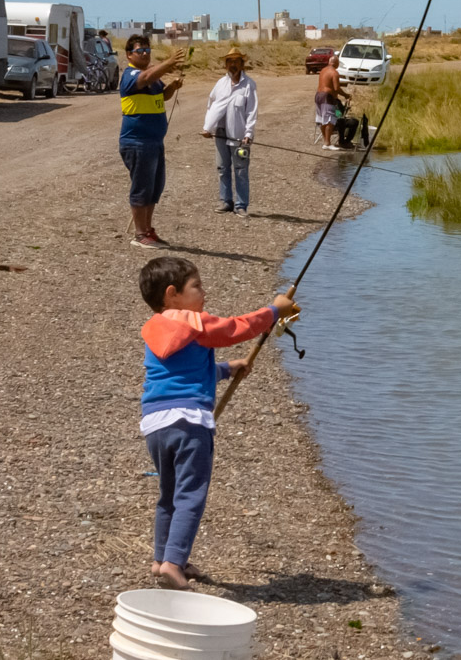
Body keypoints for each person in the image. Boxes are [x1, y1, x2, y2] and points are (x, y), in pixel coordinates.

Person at [137, 255, 300, 590]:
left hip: (156, 423)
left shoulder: (157, 328)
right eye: (196, 286)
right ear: (173, 294)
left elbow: (184, 371)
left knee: (169, 494)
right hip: (189, 423)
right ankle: (173, 563)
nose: (204, 292)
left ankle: (161, 559)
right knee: (190, 495)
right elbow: (234, 328)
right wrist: (274, 311)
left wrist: (226, 369)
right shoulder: (193, 322)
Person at [120, 34, 185, 248]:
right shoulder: (130, 75)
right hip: (137, 141)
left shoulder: (153, 76)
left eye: (148, 51)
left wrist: (173, 87)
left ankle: (148, 230)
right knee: (142, 187)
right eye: (140, 51)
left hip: (154, 141)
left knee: (154, 188)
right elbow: (144, 80)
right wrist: (169, 63)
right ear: (130, 54)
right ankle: (140, 235)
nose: (145, 54)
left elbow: (162, 95)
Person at [200, 47, 258, 217]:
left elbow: (252, 112)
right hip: (220, 132)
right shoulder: (220, 84)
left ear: (242, 64)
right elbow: (211, 106)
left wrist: (248, 134)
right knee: (222, 167)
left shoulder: (249, 85)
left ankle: (241, 205)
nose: (232, 65)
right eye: (229, 61)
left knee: (241, 169)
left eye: (236, 61)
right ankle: (225, 201)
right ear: (226, 64)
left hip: (239, 135)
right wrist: (207, 127)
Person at [315, 53, 346, 149]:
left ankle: (325, 141)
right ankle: (327, 143)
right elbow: (336, 88)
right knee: (329, 120)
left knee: (321, 119)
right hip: (327, 97)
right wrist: (346, 95)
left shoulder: (323, 70)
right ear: (336, 64)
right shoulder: (334, 73)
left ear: (329, 62)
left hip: (318, 96)